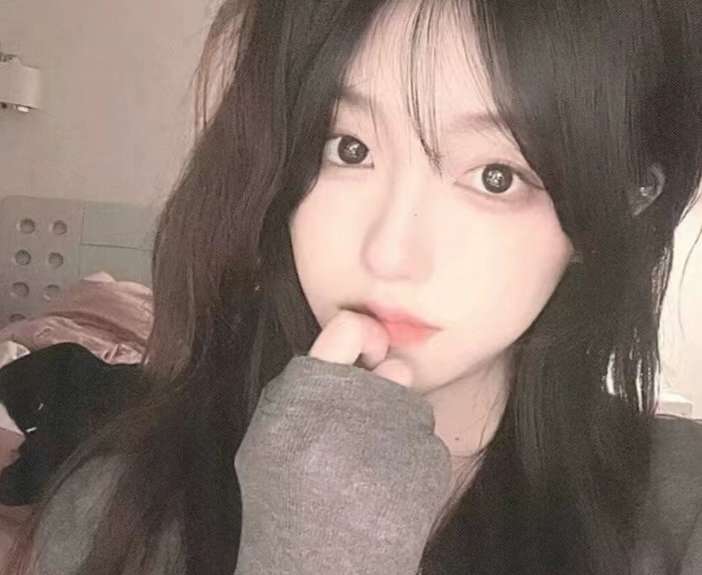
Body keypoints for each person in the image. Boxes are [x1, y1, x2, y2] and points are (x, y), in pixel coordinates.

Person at [4, 0, 702, 574]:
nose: (389, 253)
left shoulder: (682, 513)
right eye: (350, 148)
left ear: (616, 205)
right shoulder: (115, 511)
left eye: (496, 176)